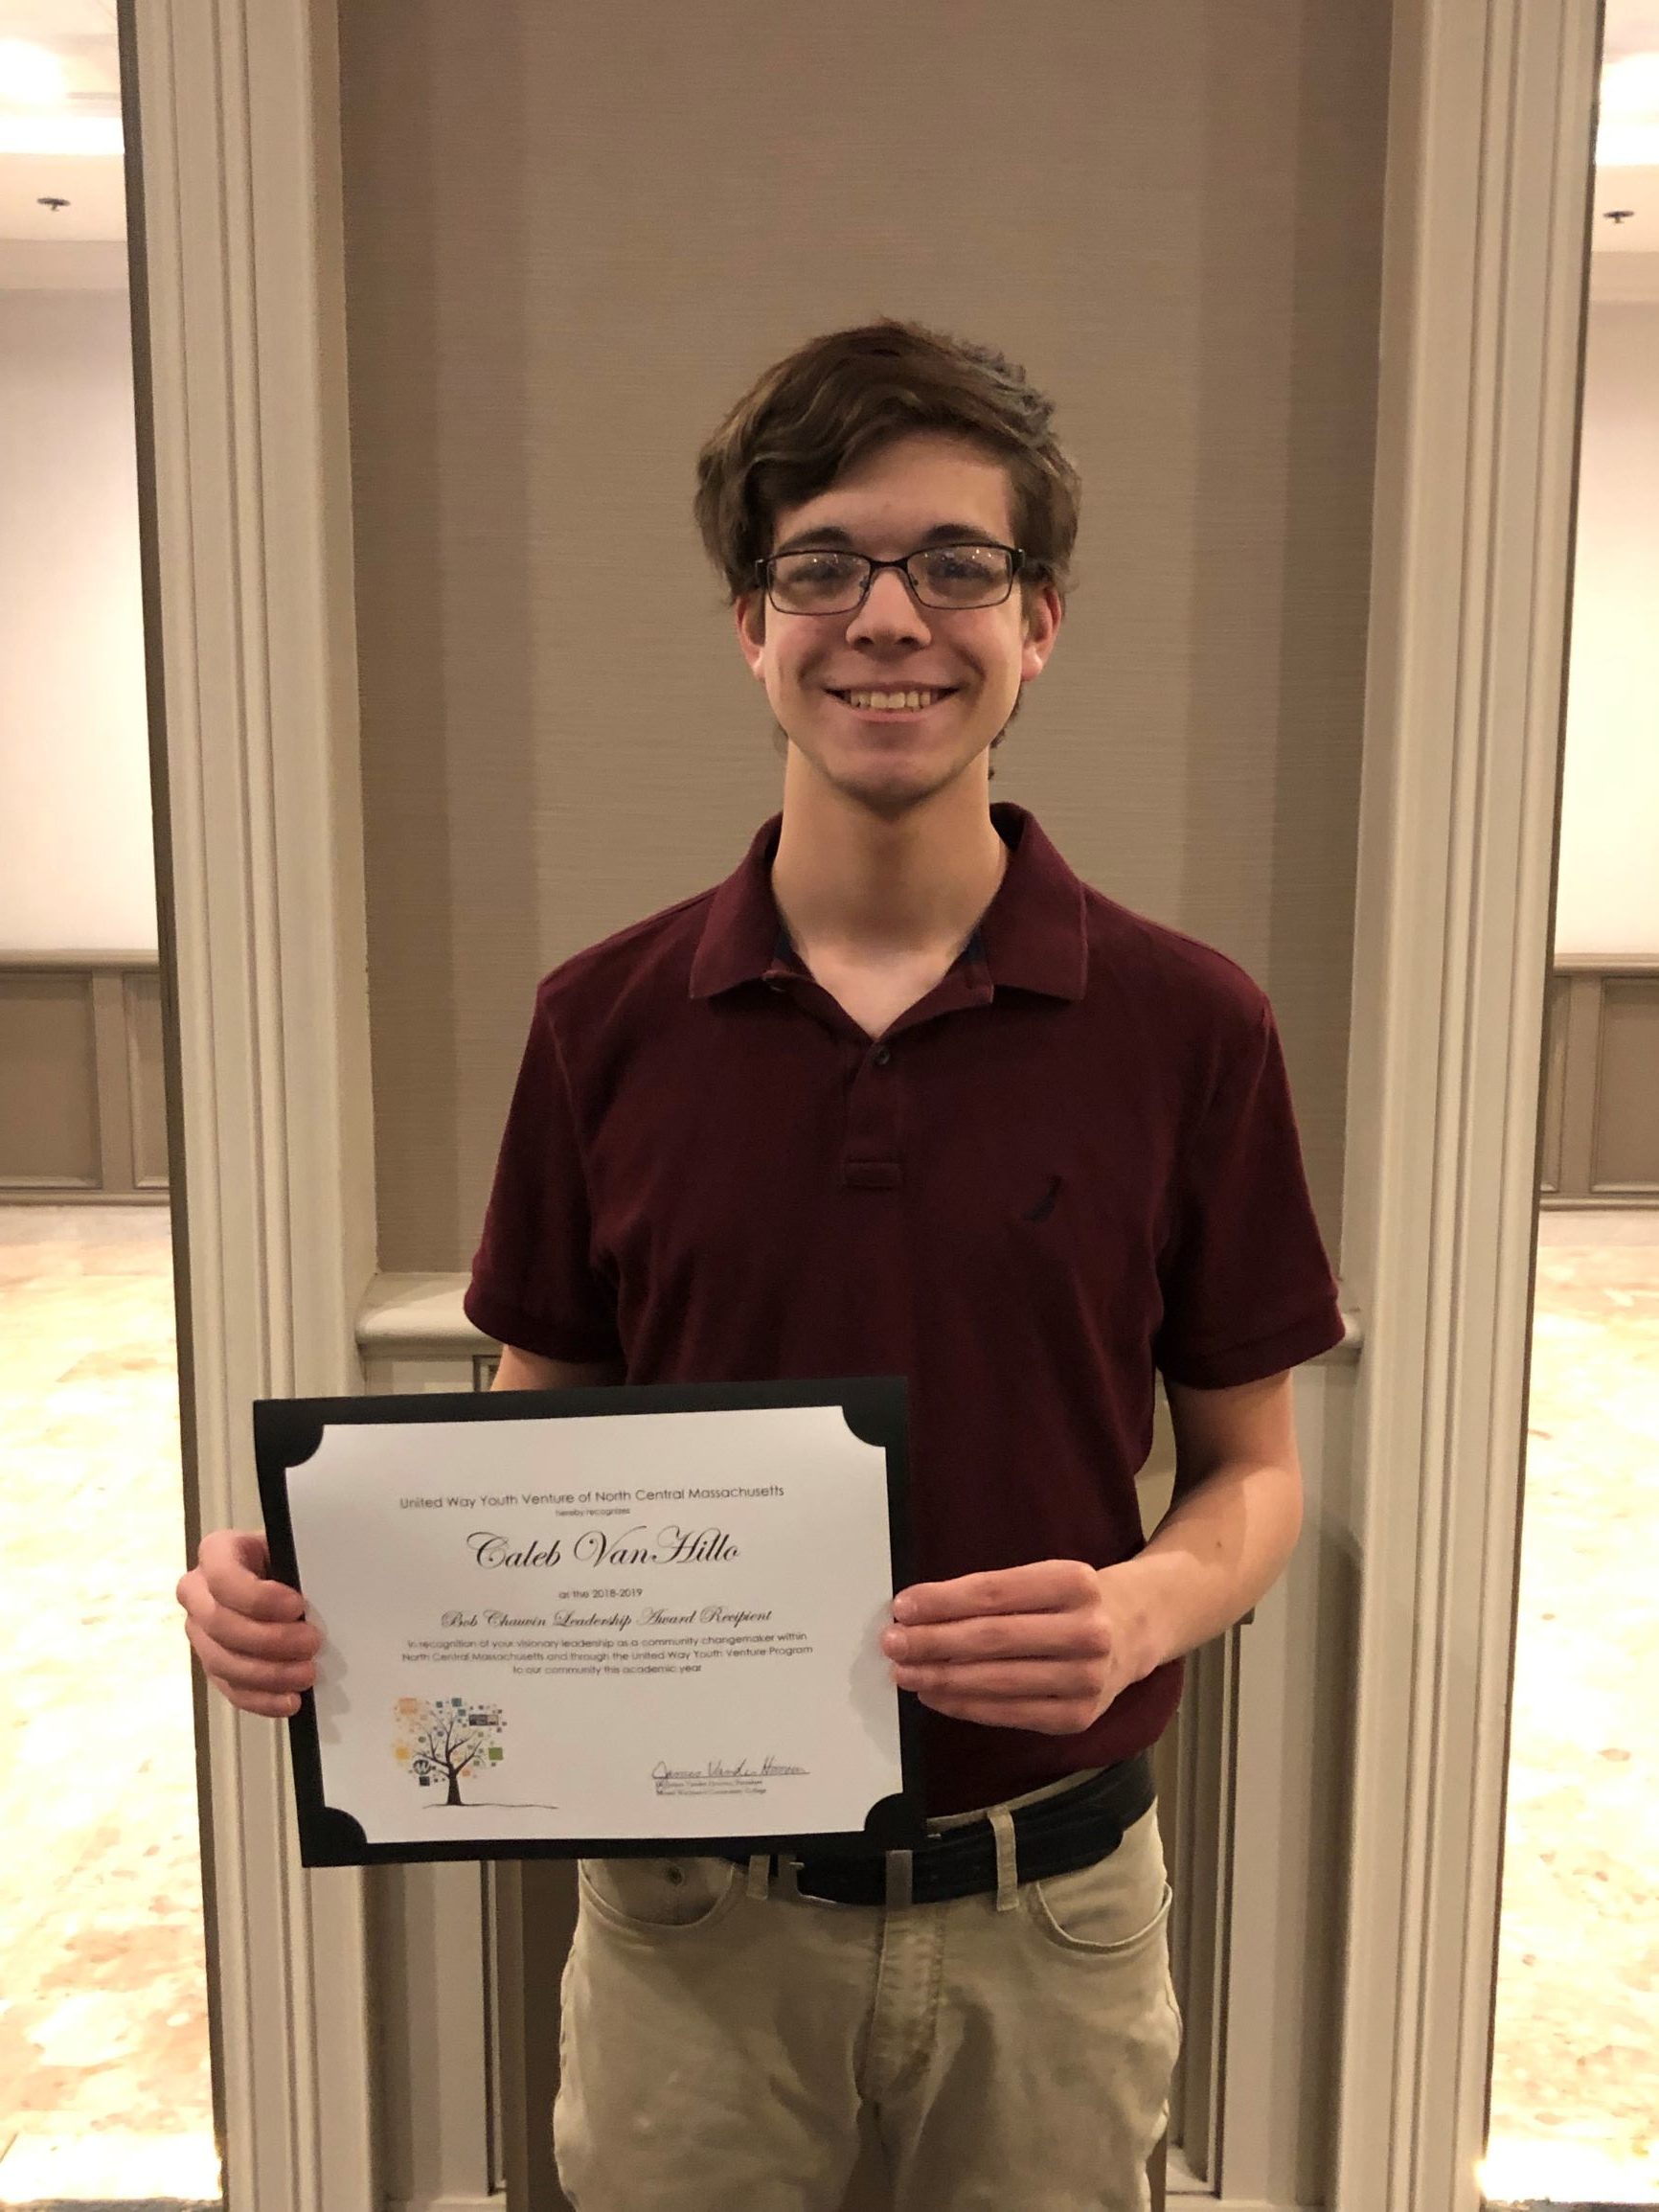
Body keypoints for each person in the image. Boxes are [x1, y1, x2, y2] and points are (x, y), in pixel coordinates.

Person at [177, 318, 1346, 2212]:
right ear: (752, 624)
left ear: (1036, 622)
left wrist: (1142, 1610)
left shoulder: (1189, 1026)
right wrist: (329, 1597)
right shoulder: (601, 1023)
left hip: (1051, 1910)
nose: (888, 615)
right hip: (689, 1928)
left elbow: (1253, 1471)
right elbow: (530, 1436)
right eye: (823, 565)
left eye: (953, 565)